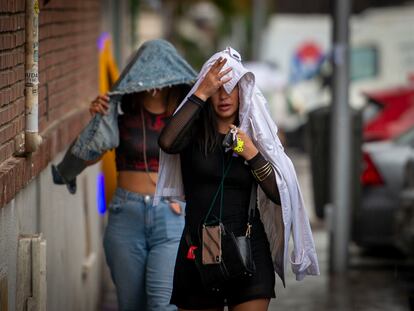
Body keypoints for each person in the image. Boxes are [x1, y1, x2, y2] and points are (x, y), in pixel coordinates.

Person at [156, 47, 320, 311]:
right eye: (217, 88)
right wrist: (201, 91)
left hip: (248, 250)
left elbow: (280, 194)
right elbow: (166, 142)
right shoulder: (192, 133)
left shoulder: (256, 136)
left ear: (243, 91)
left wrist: (251, 153)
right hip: (198, 250)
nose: (224, 96)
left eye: (231, 87)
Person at [51, 39, 197, 311]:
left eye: (162, 71)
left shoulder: (185, 115)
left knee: (163, 306)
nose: (154, 80)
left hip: (170, 215)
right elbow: (91, 154)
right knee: (131, 306)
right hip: (125, 213)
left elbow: (201, 161)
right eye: (146, 70)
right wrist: (97, 121)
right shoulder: (120, 113)